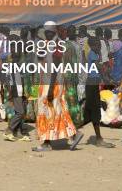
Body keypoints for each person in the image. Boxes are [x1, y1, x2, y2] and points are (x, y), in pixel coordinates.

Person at [32, 21, 83, 152]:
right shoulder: (49, 44)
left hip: (52, 84)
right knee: (58, 109)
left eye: (49, 32)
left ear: (53, 31)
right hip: (48, 82)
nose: (47, 34)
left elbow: (55, 69)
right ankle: (74, 134)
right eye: (46, 32)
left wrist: (49, 89)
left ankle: (46, 143)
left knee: (47, 110)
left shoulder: (56, 45)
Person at [80, 37, 114, 147]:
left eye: (99, 44)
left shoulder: (95, 53)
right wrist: (106, 71)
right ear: (90, 45)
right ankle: (99, 139)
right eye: (96, 44)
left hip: (92, 84)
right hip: (92, 84)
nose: (98, 46)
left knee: (89, 114)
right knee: (94, 112)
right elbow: (97, 67)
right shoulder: (93, 54)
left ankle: (73, 133)